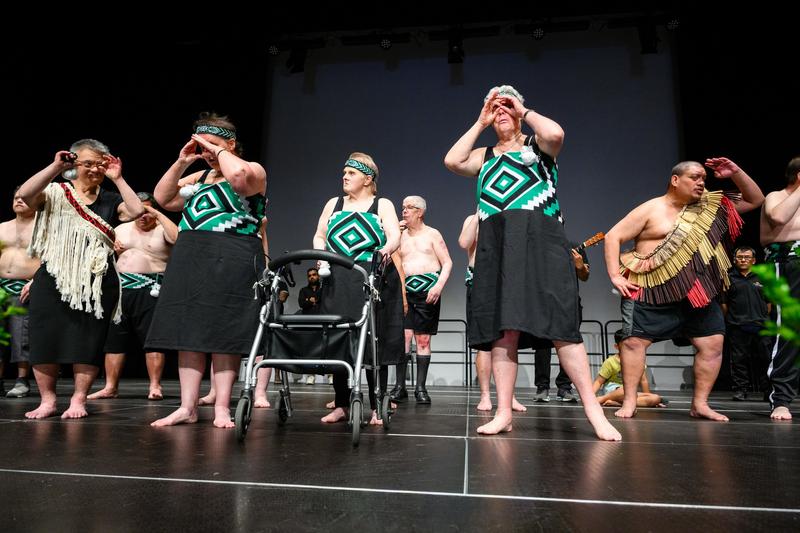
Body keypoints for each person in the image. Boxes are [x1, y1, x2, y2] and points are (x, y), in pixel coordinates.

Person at [444, 85, 621, 441]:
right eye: (496, 107)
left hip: (542, 240)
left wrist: (522, 110)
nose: (502, 112)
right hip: (497, 244)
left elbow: (556, 134)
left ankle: (593, 411)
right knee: (503, 331)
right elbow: (452, 161)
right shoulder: (484, 155)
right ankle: (503, 413)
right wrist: (481, 121)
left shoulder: (537, 146)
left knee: (561, 327)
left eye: (506, 106)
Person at [605, 157, 764, 421]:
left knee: (712, 343)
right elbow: (613, 236)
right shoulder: (652, 208)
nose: (701, 183)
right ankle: (630, 401)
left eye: (704, 178)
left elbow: (755, 199)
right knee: (633, 342)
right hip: (651, 289)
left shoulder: (711, 206)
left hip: (698, 291)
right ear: (675, 180)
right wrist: (614, 275)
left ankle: (700, 404)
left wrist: (736, 172)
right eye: (695, 177)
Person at [148, 112, 267, 428]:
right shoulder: (198, 178)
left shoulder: (252, 169)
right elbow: (162, 198)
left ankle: (222, 407)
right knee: (188, 331)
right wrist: (182, 162)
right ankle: (187, 407)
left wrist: (219, 151)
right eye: (201, 146)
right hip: (192, 256)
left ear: (230, 144)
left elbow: (239, 179)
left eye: (211, 144)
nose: (206, 152)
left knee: (224, 331)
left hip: (233, 255)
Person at [19, 139, 144, 419]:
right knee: (44, 339)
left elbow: (137, 211)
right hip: (54, 276)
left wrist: (118, 178)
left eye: (101, 164)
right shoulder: (55, 192)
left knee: (87, 342)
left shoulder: (110, 199)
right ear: (74, 164)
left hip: (96, 281)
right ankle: (48, 401)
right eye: (89, 163)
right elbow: (26, 194)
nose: (96, 169)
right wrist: (55, 167)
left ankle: (78, 399)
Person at [312, 152, 403, 425]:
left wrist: (384, 251)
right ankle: (341, 404)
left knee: (375, 339)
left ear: (367, 178)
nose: (344, 176)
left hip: (371, 276)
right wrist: (321, 255)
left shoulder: (381, 204)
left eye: (351, 172)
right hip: (337, 278)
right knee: (339, 338)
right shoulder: (334, 204)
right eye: (344, 172)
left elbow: (394, 235)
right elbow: (319, 235)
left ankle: (376, 406)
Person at [88, 192, 177, 401]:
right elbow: (98, 254)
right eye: (138, 211)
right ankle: (110, 387)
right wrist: (112, 250)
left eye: (147, 211)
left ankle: (155, 386)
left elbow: (177, 239)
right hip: (121, 289)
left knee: (152, 340)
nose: (142, 216)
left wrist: (158, 214)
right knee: (114, 340)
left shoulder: (162, 229)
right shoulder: (121, 229)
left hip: (151, 289)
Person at [458, 212, 526, 412]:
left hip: (505, 280)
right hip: (479, 280)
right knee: (484, 342)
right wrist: (477, 214)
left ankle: (509, 397)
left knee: (509, 337)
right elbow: (464, 243)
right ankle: (485, 395)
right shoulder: (473, 218)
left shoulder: (508, 217)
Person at [391, 195, 452, 404]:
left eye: (409, 207)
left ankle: (420, 388)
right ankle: (400, 387)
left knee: (423, 340)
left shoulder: (432, 234)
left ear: (420, 212)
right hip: (405, 292)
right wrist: (395, 233)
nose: (404, 211)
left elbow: (448, 262)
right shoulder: (400, 235)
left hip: (427, 291)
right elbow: (390, 258)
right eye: (403, 207)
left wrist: (438, 286)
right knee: (404, 338)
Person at [759, 156, 800, 420]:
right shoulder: (776, 197)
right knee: (789, 330)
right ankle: (781, 400)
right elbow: (779, 217)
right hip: (788, 262)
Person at [533, 241, 591, 403]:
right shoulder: (540, 246)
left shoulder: (574, 247)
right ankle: (542, 387)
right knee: (542, 345)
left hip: (569, 302)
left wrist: (579, 266)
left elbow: (585, 277)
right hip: (543, 301)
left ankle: (564, 387)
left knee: (569, 343)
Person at [0, 189, 41, 398]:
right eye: (16, 197)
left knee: (21, 335)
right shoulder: (2, 227)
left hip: (25, 286)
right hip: (1, 287)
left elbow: (52, 259)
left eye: (24, 198)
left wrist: (36, 282)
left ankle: (22, 379)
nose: (19, 201)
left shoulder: (43, 228)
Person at [720, 246, 770, 401]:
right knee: (738, 360)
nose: (743, 260)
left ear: (753, 260)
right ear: (734, 260)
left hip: (761, 326)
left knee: (766, 358)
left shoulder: (762, 277)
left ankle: (768, 391)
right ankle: (740, 390)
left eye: (747, 257)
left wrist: (762, 317)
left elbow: (769, 303)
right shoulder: (728, 278)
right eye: (740, 257)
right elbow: (724, 304)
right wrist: (731, 320)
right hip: (737, 326)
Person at [593, 330, 666, 408]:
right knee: (624, 389)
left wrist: (649, 396)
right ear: (617, 347)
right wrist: (590, 396)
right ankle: (603, 399)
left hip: (630, 392)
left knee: (655, 398)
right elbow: (598, 381)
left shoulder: (638, 361)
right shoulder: (610, 362)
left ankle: (619, 403)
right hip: (613, 391)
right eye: (626, 346)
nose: (630, 348)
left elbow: (643, 380)